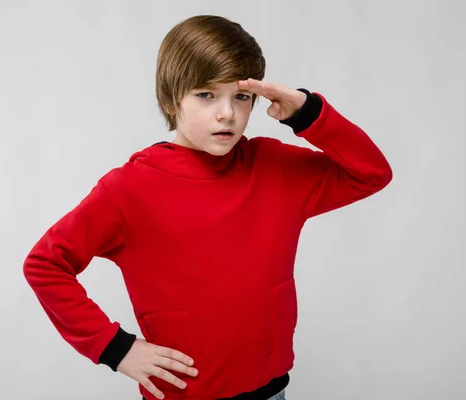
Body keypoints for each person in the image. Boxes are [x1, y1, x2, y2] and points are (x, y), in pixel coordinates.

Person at [22, 14, 393, 400]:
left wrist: (307, 112)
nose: (227, 113)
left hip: (271, 390)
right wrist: (116, 349)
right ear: (170, 98)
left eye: (241, 96)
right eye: (206, 95)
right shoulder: (130, 189)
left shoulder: (274, 168)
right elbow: (46, 264)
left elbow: (371, 173)